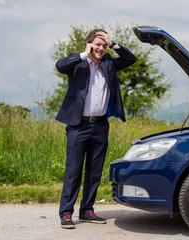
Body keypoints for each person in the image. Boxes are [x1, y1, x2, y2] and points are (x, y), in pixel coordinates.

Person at [55, 29, 136, 229]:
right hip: (78, 126)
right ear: (88, 43)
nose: (101, 48)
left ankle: (87, 210)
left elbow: (130, 59)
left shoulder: (109, 63)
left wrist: (113, 43)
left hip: (100, 125)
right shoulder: (77, 62)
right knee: (73, 171)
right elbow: (60, 65)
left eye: (103, 45)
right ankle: (66, 213)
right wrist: (86, 53)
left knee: (94, 171)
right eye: (97, 44)